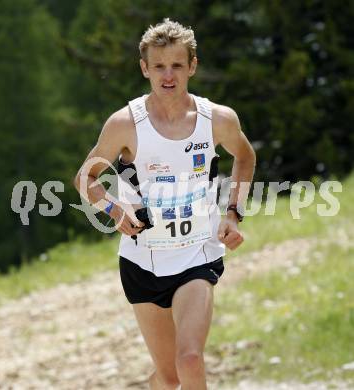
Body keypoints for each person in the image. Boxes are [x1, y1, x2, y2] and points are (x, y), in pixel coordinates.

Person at [74, 18, 255, 390]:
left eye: (176, 65)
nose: (167, 75)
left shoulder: (217, 119)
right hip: (143, 262)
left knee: (189, 360)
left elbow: (245, 156)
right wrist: (113, 208)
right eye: (158, 66)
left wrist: (233, 214)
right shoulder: (124, 124)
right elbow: (85, 178)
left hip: (197, 256)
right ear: (145, 68)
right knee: (169, 377)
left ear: (192, 66)